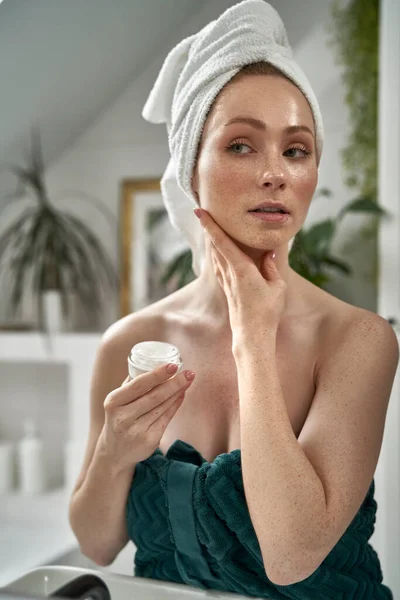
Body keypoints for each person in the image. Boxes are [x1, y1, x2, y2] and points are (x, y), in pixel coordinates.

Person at [69, 1, 399, 598]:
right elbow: (96, 545)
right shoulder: (128, 342)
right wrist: (115, 453)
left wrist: (252, 338)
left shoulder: (358, 340)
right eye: (242, 145)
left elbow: (291, 557)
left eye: (296, 150)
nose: (275, 172)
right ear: (189, 169)